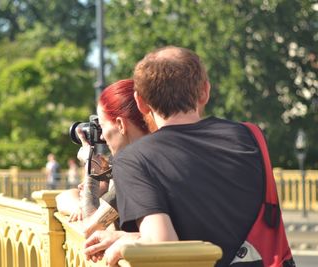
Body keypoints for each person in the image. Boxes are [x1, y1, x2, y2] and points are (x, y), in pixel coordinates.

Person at [84, 46, 265, 267]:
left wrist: (124, 243)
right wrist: (130, 237)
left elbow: (164, 246)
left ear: (141, 103)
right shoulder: (248, 135)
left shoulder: (135, 160)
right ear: (205, 91)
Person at [56, 79, 152, 237]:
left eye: (103, 126)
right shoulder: (149, 155)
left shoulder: (137, 167)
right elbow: (63, 197)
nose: (101, 136)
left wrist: (90, 163)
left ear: (120, 125)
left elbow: (90, 224)